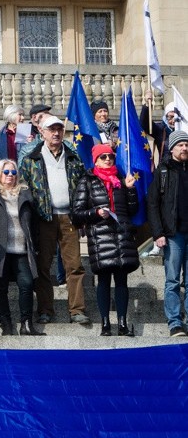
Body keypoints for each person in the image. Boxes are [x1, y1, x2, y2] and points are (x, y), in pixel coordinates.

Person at [19, 115, 89, 325]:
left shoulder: (74, 158)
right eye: (52, 129)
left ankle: (77, 310)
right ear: (42, 132)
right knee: (43, 266)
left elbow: (82, 188)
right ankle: (45, 310)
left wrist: (82, 215)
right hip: (44, 218)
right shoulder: (31, 159)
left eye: (59, 129)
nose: (56, 133)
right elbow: (24, 190)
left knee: (74, 265)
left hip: (69, 218)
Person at [71, 144, 139, 337]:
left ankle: (123, 323)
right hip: (100, 237)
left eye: (110, 156)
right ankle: (105, 323)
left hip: (121, 235)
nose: (108, 159)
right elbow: (76, 213)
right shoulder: (88, 180)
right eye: (103, 157)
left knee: (121, 280)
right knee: (103, 280)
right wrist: (96, 212)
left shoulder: (120, 179)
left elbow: (132, 210)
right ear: (96, 160)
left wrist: (131, 190)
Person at [0, 159, 42, 336]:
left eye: (13, 173)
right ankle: (5, 323)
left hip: (21, 249)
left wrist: (34, 244)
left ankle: (26, 324)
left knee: (27, 284)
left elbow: (34, 223)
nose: (10, 176)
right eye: (6, 172)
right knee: (2, 287)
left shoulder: (25, 194)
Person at [147, 130, 188, 337]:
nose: (185, 148)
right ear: (172, 148)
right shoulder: (162, 170)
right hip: (173, 235)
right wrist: (158, 233)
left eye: (187, 145)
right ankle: (175, 322)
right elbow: (153, 204)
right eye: (181, 145)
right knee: (172, 280)